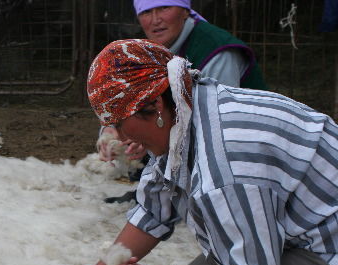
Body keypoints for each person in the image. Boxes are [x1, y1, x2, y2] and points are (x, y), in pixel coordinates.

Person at [32, 39, 338, 265]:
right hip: (296, 223)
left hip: (328, 245)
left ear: (154, 104)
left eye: (121, 124)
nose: (123, 138)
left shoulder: (221, 165)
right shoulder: (190, 104)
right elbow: (155, 210)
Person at [99, 0, 267, 203]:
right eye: (146, 12)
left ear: (185, 11)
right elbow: (129, 100)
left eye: (164, 8)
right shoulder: (146, 50)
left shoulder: (217, 51)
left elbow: (217, 124)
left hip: (240, 144)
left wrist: (150, 135)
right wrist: (112, 130)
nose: (155, 20)